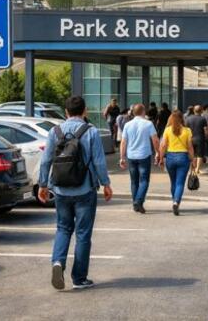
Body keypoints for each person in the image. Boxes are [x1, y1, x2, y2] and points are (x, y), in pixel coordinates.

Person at [38, 96, 112, 291]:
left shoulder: (55, 132)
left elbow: (46, 160)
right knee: (83, 234)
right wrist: (106, 183)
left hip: (61, 189)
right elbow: (98, 161)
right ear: (85, 111)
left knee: (63, 228)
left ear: (66, 112)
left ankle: (57, 262)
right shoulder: (91, 132)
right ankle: (79, 278)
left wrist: (43, 185)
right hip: (85, 188)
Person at [119, 104, 159, 213]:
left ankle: (136, 204)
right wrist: (158, 152)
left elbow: (123, 142)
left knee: (134, 181)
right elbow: (155, 140)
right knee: (144, 180)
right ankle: (138, 201)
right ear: (143, 111)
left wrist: (122, 157)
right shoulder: (148, 124)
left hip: (131, 156)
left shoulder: (127, 125)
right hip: (144, 155)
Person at [158, 110, 194, 215]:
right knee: (180, 183)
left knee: (173, 182)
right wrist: (192, 159)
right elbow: (190, 147)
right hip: (183, 157)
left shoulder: (167, 130)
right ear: (182, 118)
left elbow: (163, 145)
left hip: (170, 157)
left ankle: (174, 200)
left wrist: (161, 158)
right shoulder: (187, 131)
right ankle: (176, 202)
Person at [186, 105, 208, 175]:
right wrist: (207, 136)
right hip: (200, 139)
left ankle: (192, 168)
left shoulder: (188, 119)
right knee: (200, 155)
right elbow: (206, 130)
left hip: (190, 139)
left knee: (192, 154)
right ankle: (197, 169)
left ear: (194, 110)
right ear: (201, 111)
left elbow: (186, 129)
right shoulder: (203, 119)